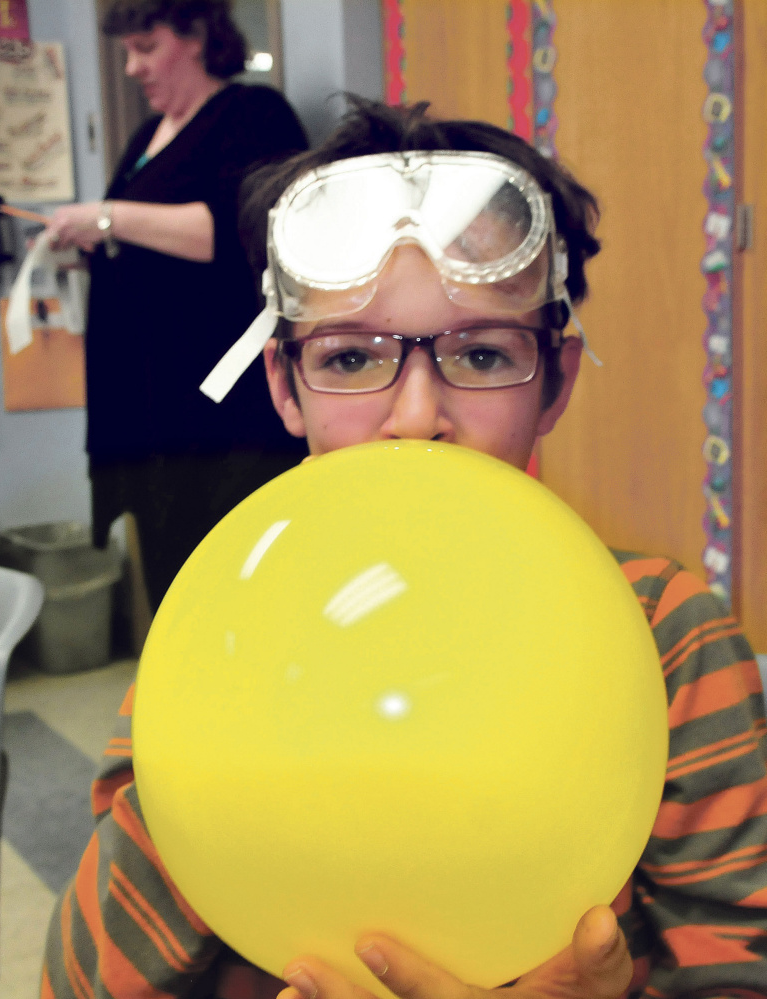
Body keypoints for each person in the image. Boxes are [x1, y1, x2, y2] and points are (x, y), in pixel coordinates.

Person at [40, 99, 767, 999]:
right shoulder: (217, 637)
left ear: (556, 380)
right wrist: (223, 757)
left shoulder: (667, 640)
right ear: (285, 386)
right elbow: (75, 983)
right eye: (349, 358)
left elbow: (736, 969)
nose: (417, 416)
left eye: (484, 354)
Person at [45, 0, 308, 611]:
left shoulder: (253, 114)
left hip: (221, 412)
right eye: (127, 53)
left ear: (196, 35)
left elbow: (236, 230)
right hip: (148, 407)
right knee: (169, 572)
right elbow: (148, 245)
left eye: (145, 48)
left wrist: (109, 218)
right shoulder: (145, 135)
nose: (133, 68)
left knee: (233, 581)